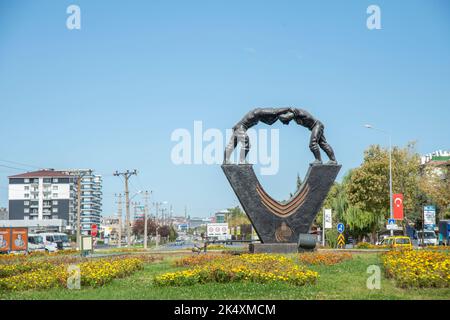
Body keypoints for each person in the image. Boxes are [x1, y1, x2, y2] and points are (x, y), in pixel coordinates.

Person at [224, 108, 291, 164]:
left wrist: (279, 117)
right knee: (246, 144)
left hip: (238, 128)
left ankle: (226, 160)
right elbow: (274, 112)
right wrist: (288, 108)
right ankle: (241, 161)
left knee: (232, 144)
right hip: (240, 128)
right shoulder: (258, 112)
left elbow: (269, 123)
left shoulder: (259, 117)